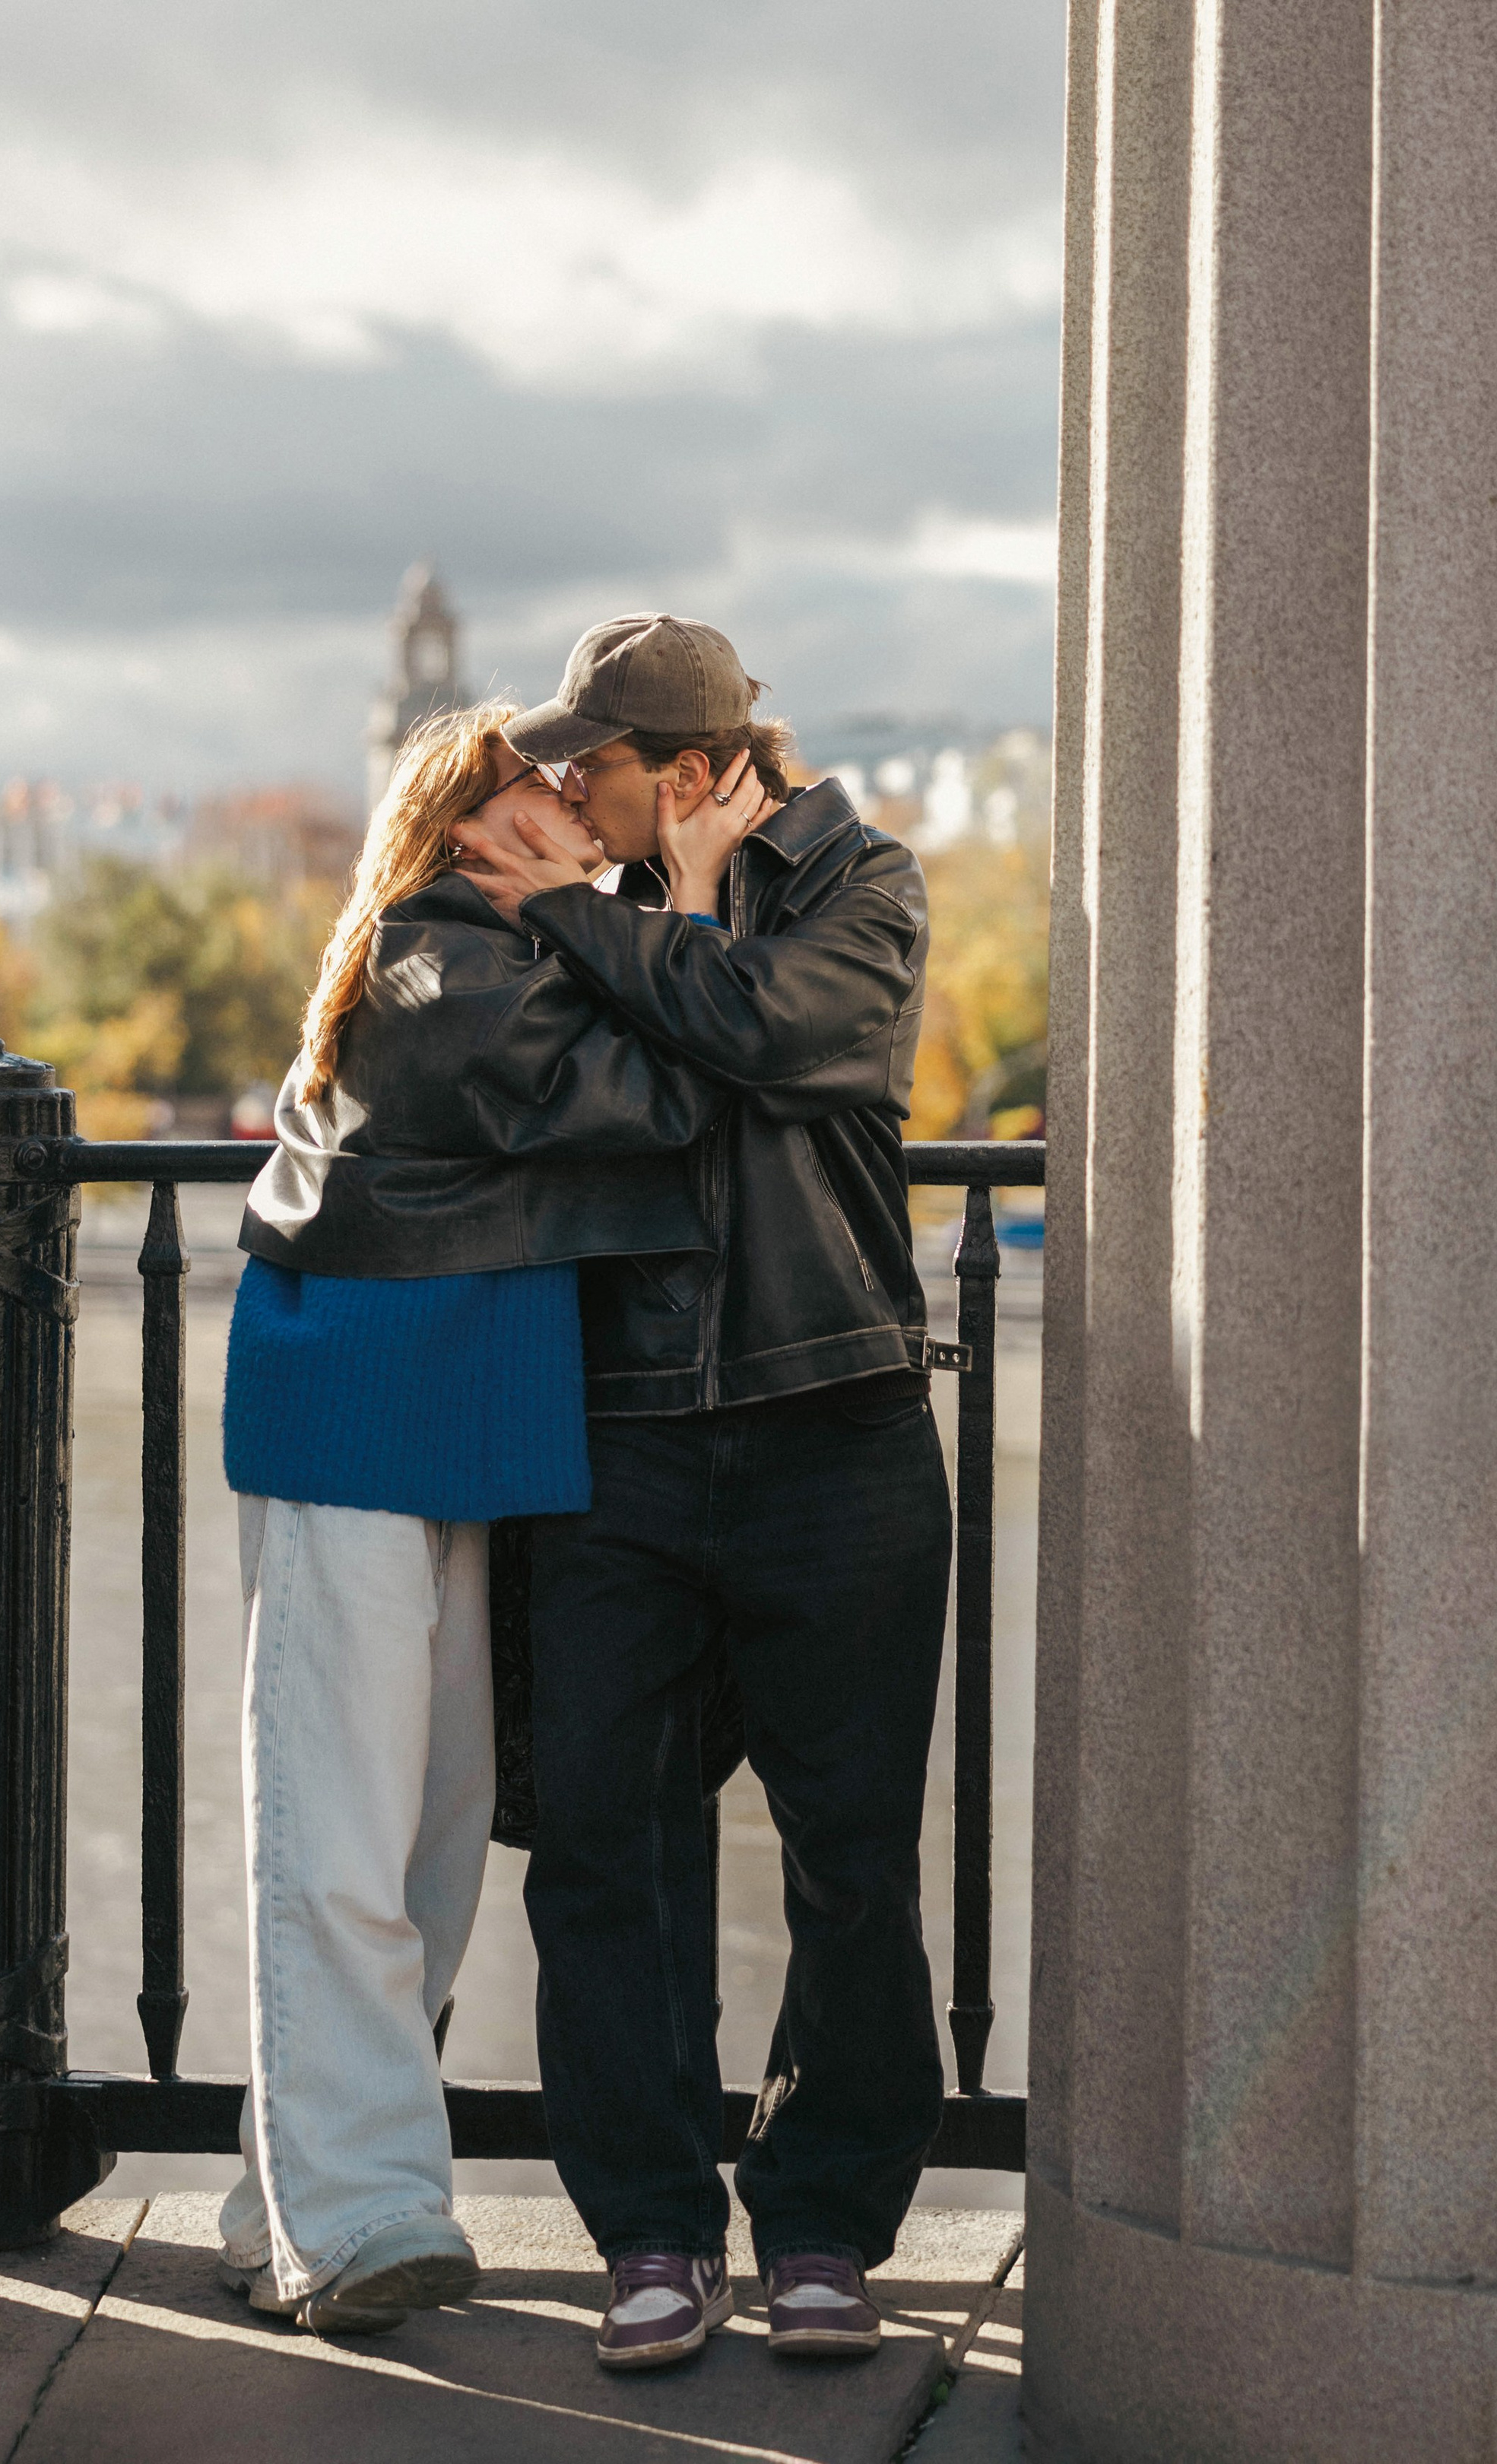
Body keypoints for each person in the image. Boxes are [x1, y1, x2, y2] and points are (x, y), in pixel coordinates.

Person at [213, 700, 752, 2338]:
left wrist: (630, 915)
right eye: (541, 779)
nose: (579, 795)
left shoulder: (521, 946)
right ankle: (358, 2218)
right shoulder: (431, 960)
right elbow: (664, 1101)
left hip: (469, 1427)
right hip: (360, 1412)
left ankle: (273, 2204)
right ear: (468, 822)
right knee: (343, 1835)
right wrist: (687, 907)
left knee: (430, 1844)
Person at [452, 614, 950, 2373]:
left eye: (580, 758)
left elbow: (777, 1030)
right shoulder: (563, 898)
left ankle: (819, 2228)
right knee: (606, 1856)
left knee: (849, 1860)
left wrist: (609, 922)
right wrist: (643, 913)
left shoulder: (858, 882)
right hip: (620, 1441)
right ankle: (651, 2234)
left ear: (675, 772)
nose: (552, 784)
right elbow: (548, 1094)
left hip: (837, 1429)